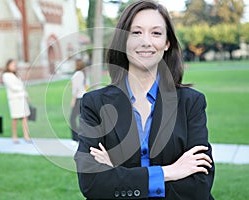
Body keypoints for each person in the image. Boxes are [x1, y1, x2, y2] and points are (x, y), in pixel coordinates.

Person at [74, 1, 215, 199]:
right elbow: (92, 183)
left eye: (156, 33)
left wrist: (117, 172)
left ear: (167, 43)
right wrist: (170, 172)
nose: (146, 42)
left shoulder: (191, 103)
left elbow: (199, 186)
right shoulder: (94, 104)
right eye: (136, 32)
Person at [2, 59, 31, 144]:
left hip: (22, 98)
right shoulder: (6, 75)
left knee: (25, 117)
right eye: (12, 65)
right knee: (15, 118)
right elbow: (13, 87)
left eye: (15, 65)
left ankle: (26, 136)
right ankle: (14, 136)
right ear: (8, 65)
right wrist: (22, 90)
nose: (14, 66)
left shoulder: (16, 75)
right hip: (14, 99)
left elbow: (22, 86)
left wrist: (26, 95)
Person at [70, 59, 87, 142]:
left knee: (72, 118)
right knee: (81, 118)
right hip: (83, 97)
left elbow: (75, 89)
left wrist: (73, 100)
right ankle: (82, 136)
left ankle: (75, 138)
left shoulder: (77, 74)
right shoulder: (84, 74)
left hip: (78, 98)